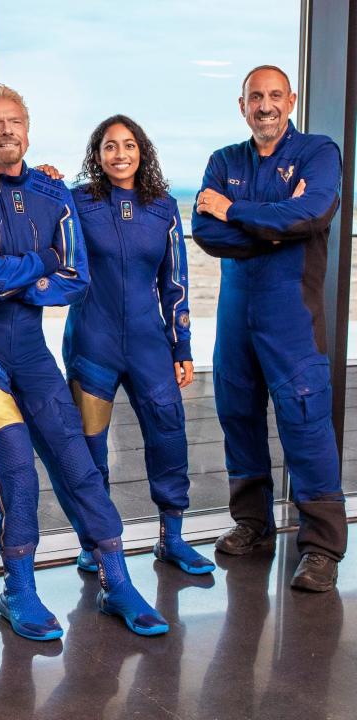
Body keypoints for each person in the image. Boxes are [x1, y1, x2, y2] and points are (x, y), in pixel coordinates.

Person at [0, 84, 167, 640]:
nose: (6, 130)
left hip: (31, 354)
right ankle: (18, 589)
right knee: (14, 460)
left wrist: (16, 279)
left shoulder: (53, 193)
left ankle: (117, 581)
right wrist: (39, 263)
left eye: (14, 120)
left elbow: (77, 278)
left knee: (77, 460)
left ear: (28, 128)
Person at [193, 65, 345, 591]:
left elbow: (313, 214)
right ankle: (252, 523)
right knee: (237, 413)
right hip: (236, 316)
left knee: (305, 420)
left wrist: (235, 209)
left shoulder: (318, 152)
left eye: (275, 95)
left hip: (292, 318)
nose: (265, 105)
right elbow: (206, 233)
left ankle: (322, 547)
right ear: (242, 105)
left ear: (292, 100)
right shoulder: (224, 159)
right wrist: (276, 225)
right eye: (255, 96)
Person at [64, 115, 214, 575]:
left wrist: (182, 345)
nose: (120, 154)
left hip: (151, 345)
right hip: (93, 342)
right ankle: (95, 541)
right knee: (90, 448)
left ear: (142, 151)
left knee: (169, 436)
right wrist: (44, 175)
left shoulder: (164, 208)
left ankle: (172, 538)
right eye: (110, 146)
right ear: (98, 154)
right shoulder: (78, 202)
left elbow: (176, 283)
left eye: (129, 145)